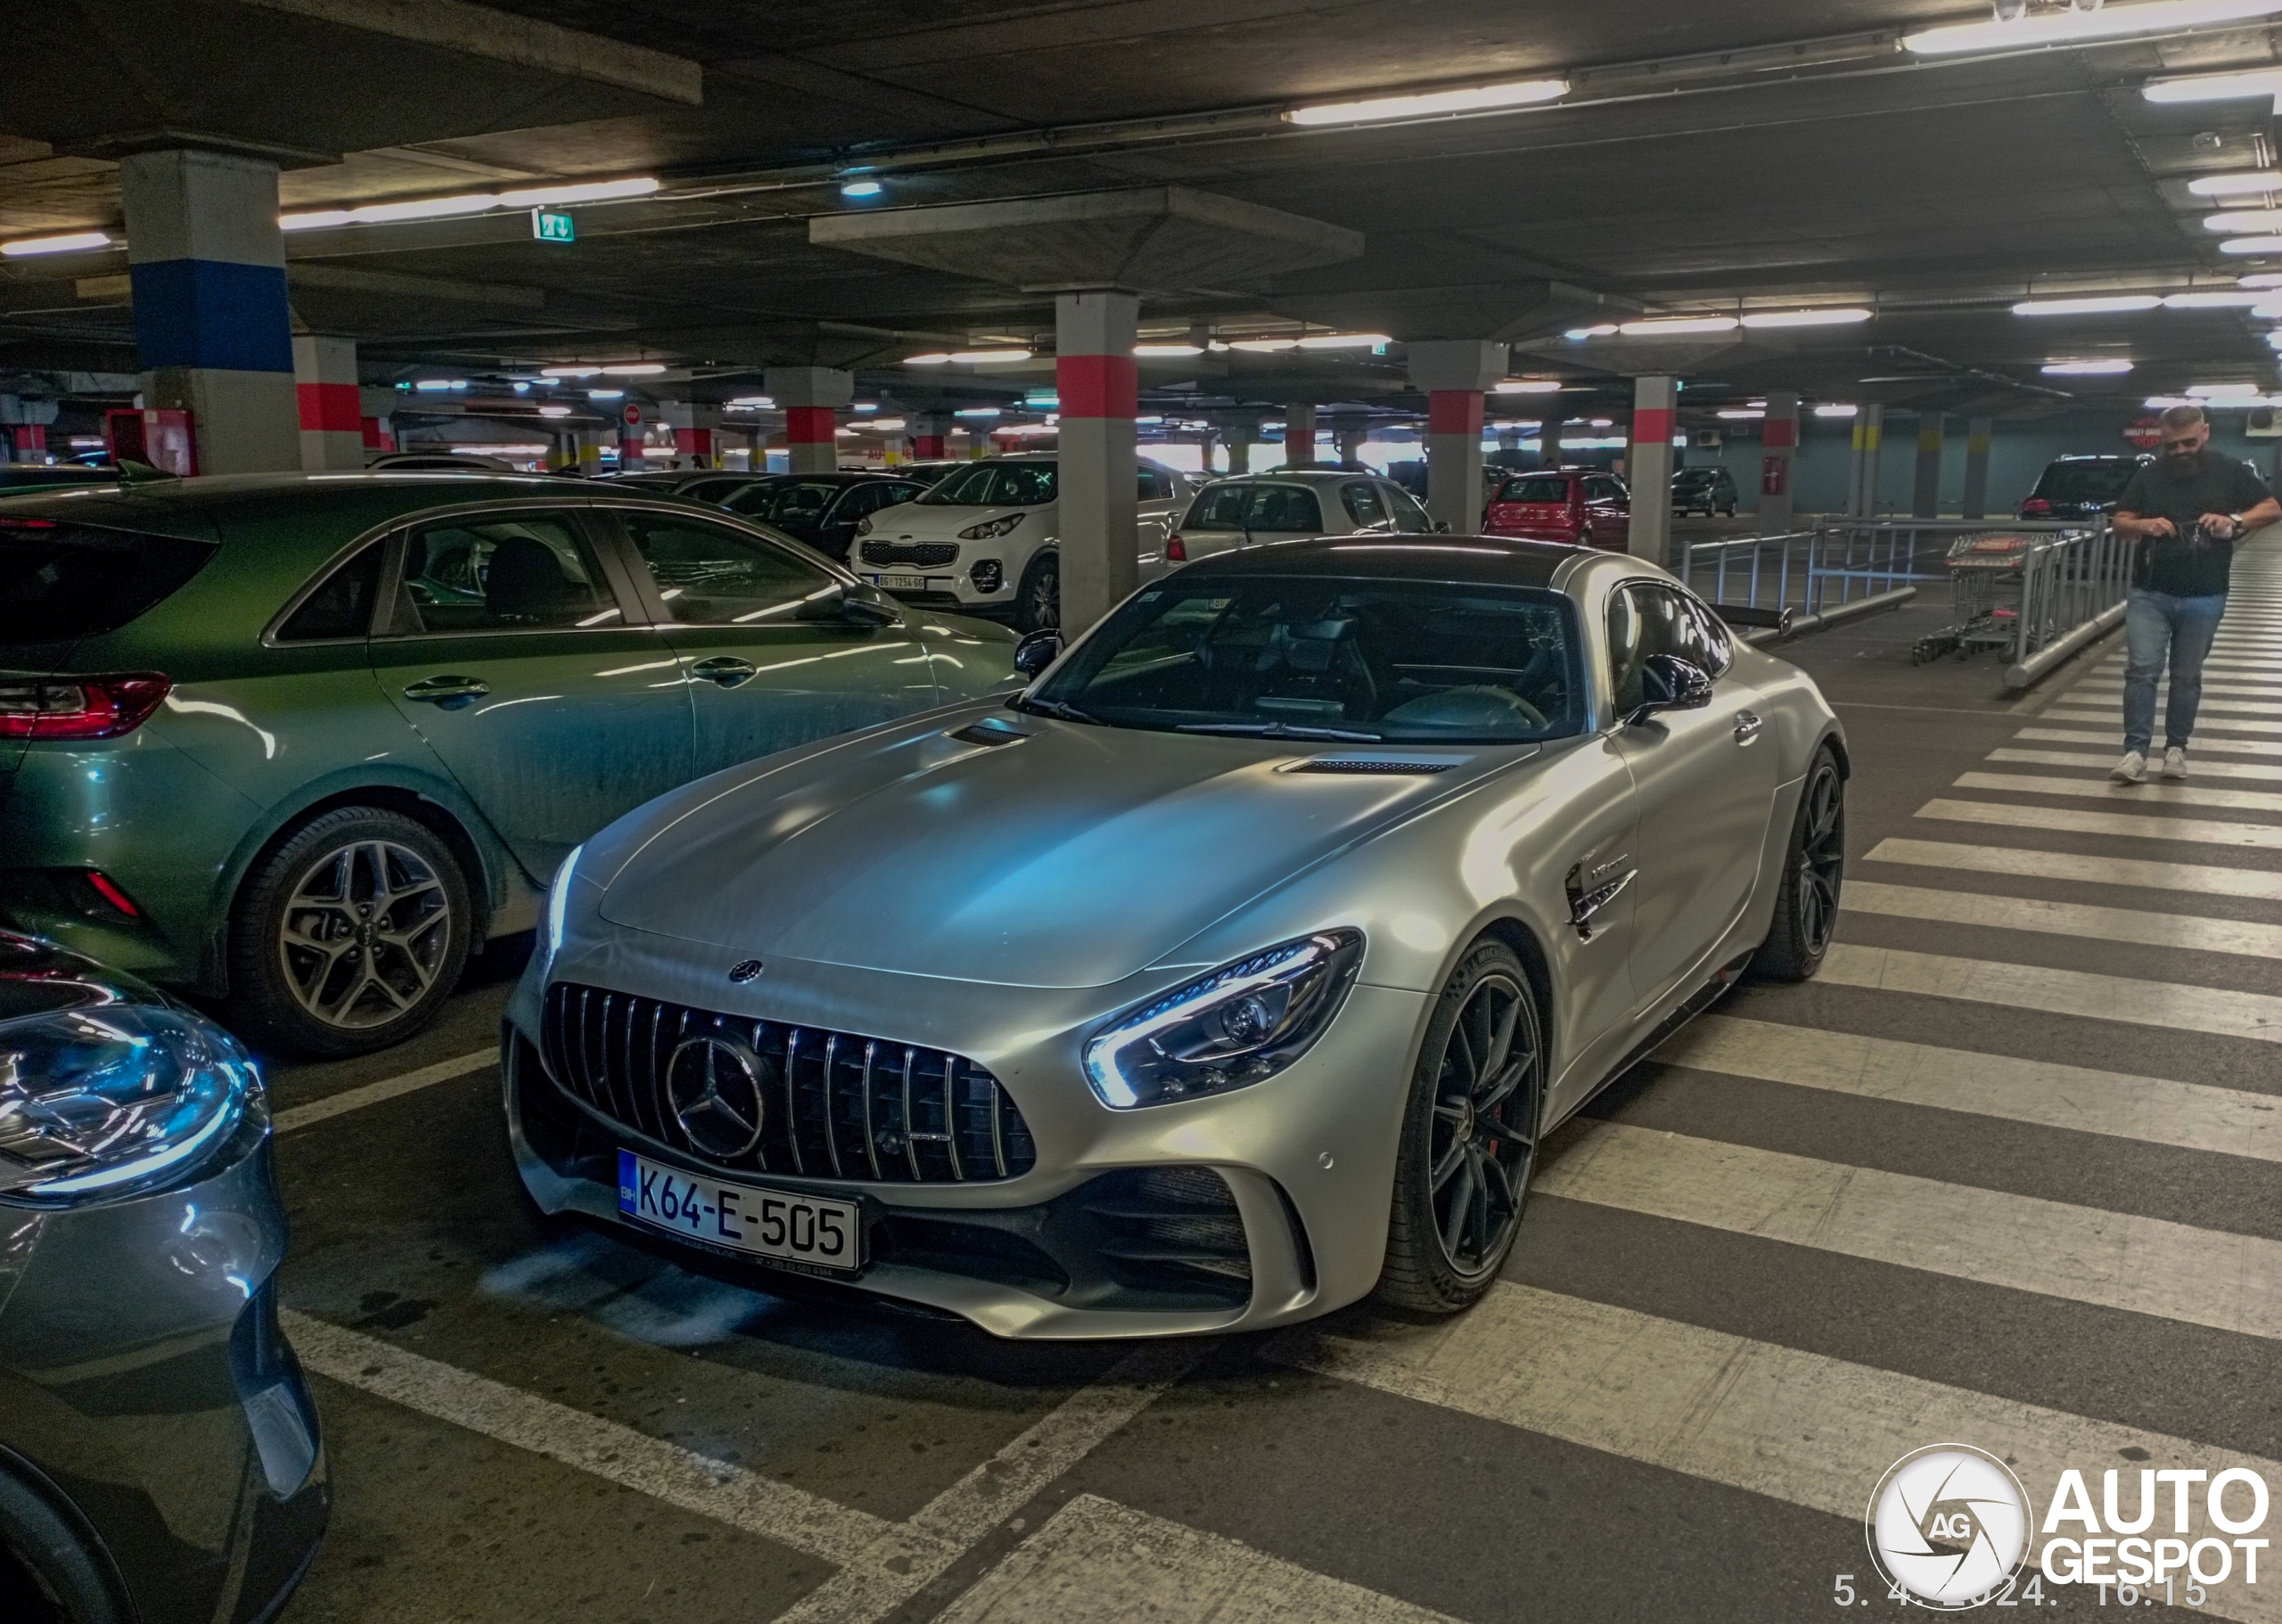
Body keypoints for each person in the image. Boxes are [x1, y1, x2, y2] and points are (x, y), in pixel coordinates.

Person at [2106, 405, 2279, 783]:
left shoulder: (2231, 470)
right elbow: (2120, 521)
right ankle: (2135, 753)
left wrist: (2234, 521)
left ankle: (2175, 750)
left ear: (2205, 432)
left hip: (2205, 593)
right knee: (2141, 672)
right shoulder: (2149, 475)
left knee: (2186, 676)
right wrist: (2144, 524)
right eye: (2172, 445)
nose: (2181, 451)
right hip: (2150, 593)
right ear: (2161, 439)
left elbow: (2271, 508)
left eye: (2188, 442)